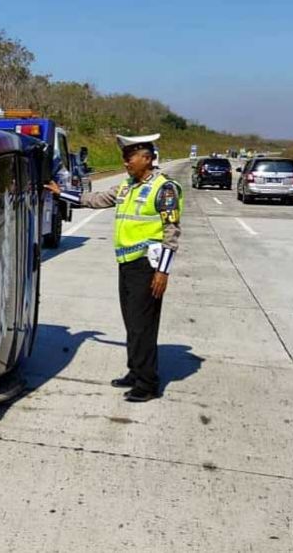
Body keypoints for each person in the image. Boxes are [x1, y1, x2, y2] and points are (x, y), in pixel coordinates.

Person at [46, 133, 183, 402]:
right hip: (127, 264)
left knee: (143, 325)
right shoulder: (128, 186)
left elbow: (172, 231)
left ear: (147, 158)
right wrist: (61, 193)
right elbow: (97, 199)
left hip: (147, 266)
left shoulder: (164, 189)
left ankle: (147, 383)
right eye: (124, 158)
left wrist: (163, 271)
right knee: (132, 323)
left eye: (129, 158)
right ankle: (136, 371)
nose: (125, 163)